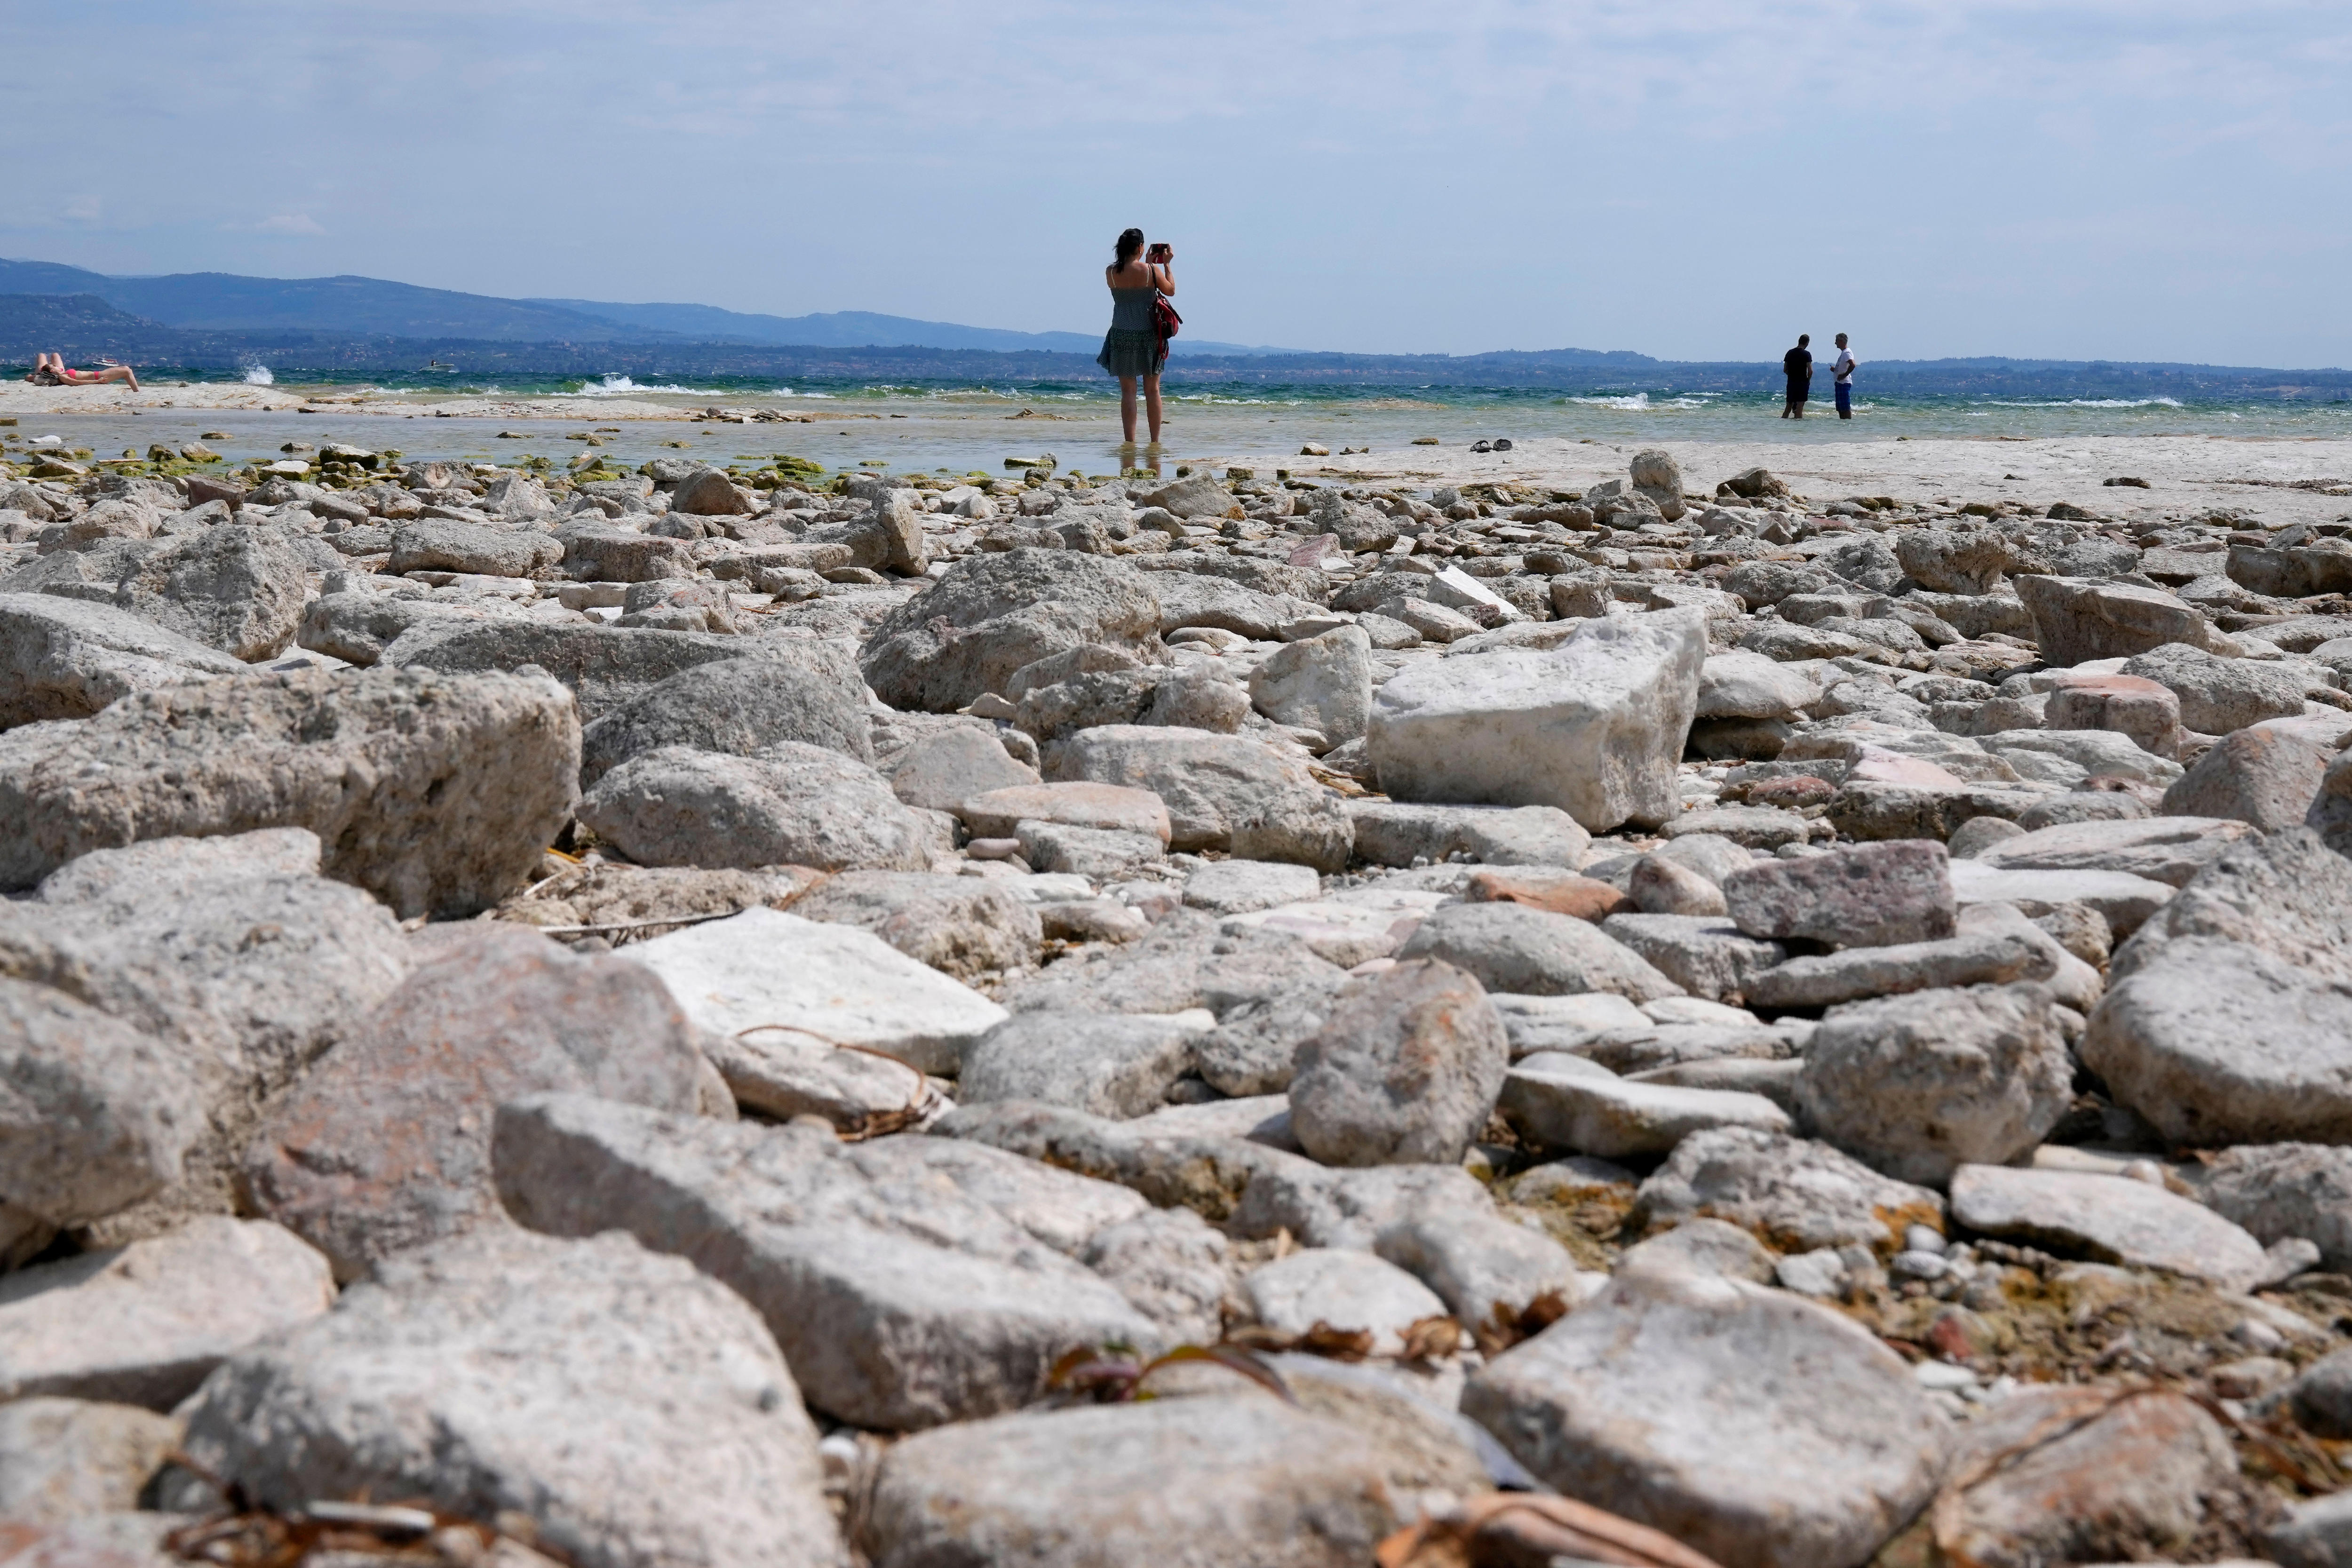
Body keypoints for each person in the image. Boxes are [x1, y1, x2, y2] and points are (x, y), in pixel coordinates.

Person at [1096, 228, 1173, 446]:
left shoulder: (1110, 272)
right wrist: (1165, 265)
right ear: (1141, 247)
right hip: (1149, 334)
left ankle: (1129, 442)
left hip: (1121, 333)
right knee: (1153, 390)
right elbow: (1171, 290)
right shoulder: (1150, 270)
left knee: (1128, 392)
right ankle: (1154, 442)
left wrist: (1147, 263)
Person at [22, 352, 138, 390]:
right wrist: (97, 382)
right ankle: (137, 392)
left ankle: (134, 389)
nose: (54, 365)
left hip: (49, 375)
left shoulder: (61, 374)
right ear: (53, 371)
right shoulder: (63, 377)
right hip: (99, 376)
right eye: (53, 366)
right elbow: (77, 383)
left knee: (50, 355)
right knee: (127, 370)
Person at [1780, 334, 1811, 419]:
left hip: (1791, 382)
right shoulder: (1807, 354)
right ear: (1807, 343)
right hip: (1802, 383)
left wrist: (1791, 375)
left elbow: (1785, 369)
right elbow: (1810, 370)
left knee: (1788, 407)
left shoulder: (1790, 353)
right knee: (1799, 409)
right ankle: (1799, 430)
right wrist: (1808, 380)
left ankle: (1782, 426)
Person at [1831, 332, 1857, 420]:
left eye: (1837, 341)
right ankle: (1843, 426)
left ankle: (1848, 424)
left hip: (1844, 383)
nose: (1835, 343)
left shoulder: (1847, 352)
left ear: (1841, 341)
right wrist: (1835, 370)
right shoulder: (1844, 353)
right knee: (1840, 407)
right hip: (1839, 383)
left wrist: (1844, 375)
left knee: (1845, 406)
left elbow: (1853, 365)